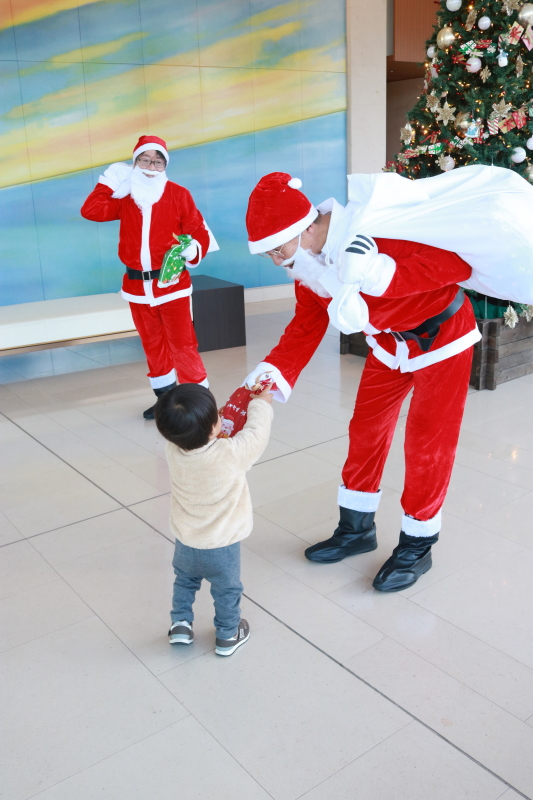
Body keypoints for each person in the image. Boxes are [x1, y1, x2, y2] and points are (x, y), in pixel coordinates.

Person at [242, 171, 482, 593]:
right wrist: (274, 369)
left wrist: (379, 272)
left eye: (278, 249)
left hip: (444, 338)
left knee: (427, 443)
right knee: (366, 429)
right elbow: (305, 324)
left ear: (306, 227)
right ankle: (356, 529)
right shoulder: (307, 263)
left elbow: (456, 264)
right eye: (269, 255)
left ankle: (418, 544)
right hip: (390, 347)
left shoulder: (376, 227)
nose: (278, 261)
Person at [81, 135, 218, 419]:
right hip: (136, 288)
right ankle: (166, 401)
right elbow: (91, 210)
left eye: (157, 161)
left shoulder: (179, 194)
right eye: (144, 160)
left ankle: (198, 404)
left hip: (172, 286)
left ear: (164, 165)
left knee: (183, 345)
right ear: (134, 163)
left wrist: (191, 248)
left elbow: (200, 233)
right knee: (152, 344)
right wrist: (109, 181)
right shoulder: (125, 197)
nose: (150, 166)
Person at [155, 382, 273, 656]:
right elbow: (257, 435)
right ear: (212, 428)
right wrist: (260, 404)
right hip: (222, 545)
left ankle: (181, 625)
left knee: (184, 582)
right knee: (227, 589)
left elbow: (196, 435)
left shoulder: (173, 451)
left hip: (186, 540)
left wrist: (212, 423)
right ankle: (228, 634)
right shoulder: (231, 453)